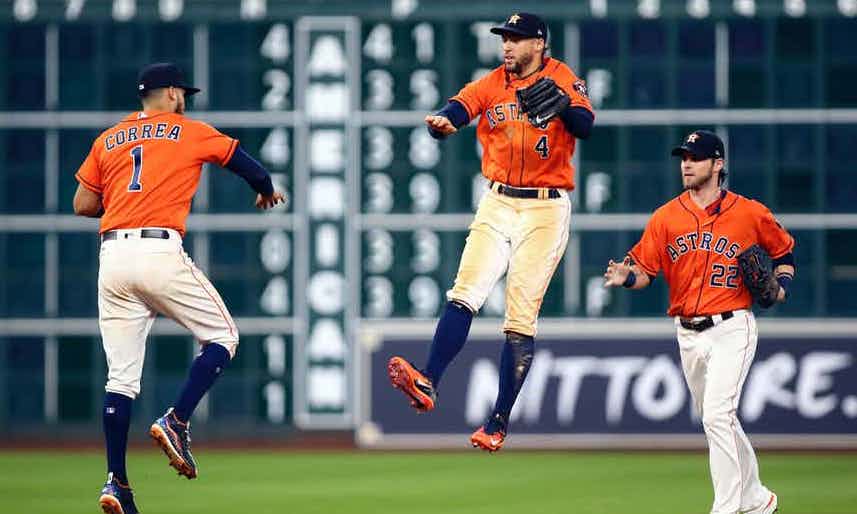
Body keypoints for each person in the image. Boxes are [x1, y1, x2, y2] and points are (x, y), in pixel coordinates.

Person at [73, 62, 285, 514]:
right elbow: (246, 163)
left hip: (111, 257)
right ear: (169, 93)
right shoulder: (186, 129)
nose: (184, 98)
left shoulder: (108, 138)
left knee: (120, 379)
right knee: (224, 336)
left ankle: (117, 483)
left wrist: (125, 205)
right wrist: (266, 189)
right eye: (182, 92)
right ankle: (177, 418)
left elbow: (83, 203)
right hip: (157, 250)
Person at [386, 12, 595, 452]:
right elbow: (460, 106)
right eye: (504, 38)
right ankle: (429, 381)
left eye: (516, 39)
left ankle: (498, 421)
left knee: (519, 317)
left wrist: (563, 106)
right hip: (498, 201)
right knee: (465, 291)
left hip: (545, 208)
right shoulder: (493, 82)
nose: (507, 46)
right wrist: (444, 121)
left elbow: (585, 126)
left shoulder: (563, 78)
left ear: (538, 43)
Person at [603, 130, 791, 514]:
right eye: (683, 157)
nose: (686, 163)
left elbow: (786, 252)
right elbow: (645, 272)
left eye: (695, 157)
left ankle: (725, 508)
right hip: (687, 333)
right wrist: (627, 277)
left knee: (718, 416)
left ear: (717, 164)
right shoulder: (666, 217)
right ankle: (757, 499)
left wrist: (782, 286)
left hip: (732, 326)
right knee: (717, 419)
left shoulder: (750, 213)